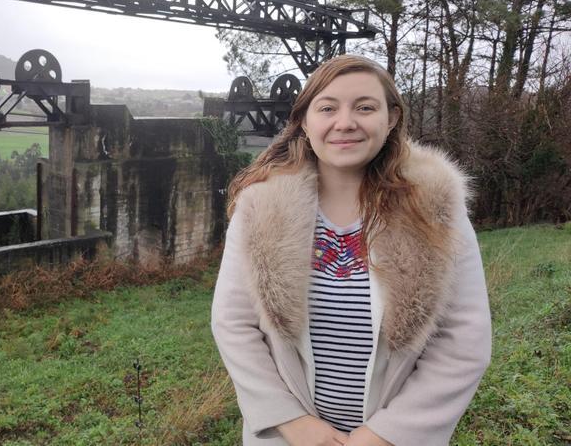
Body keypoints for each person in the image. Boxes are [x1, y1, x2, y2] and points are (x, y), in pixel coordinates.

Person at [210, 54, 492, 446]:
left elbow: (463, 341)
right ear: (305, 121)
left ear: (391, 118)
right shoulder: (260, 207)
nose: (345, 122)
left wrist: (384, 435)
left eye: (365, 107)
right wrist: (291, 422)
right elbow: (233, 324)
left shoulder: (434, 208)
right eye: (327, 108)